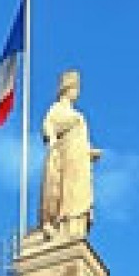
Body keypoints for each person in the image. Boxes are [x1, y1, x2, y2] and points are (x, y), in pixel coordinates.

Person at [37, 70, 101, 239]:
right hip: (67, 156)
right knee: (68, 192)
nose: (77, 92)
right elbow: (48, 126)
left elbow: (81, 139)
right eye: (75, 88)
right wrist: (52, 141)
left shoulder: (78, 114)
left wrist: (90, 152)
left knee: (80, 193)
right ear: (67, 89)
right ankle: (63, 224)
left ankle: (76, 227)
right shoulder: (58, 108)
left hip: (80, 159)